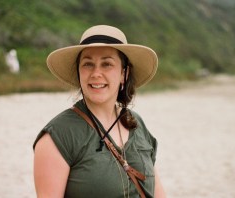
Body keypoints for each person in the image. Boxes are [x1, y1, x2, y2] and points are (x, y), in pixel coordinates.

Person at [33, 25, 166, 198]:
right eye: (88, 64)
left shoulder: (137, 124)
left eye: (107, 64)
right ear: (79, 72)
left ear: (123, 74)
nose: (96, 73)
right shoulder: (58, 136)